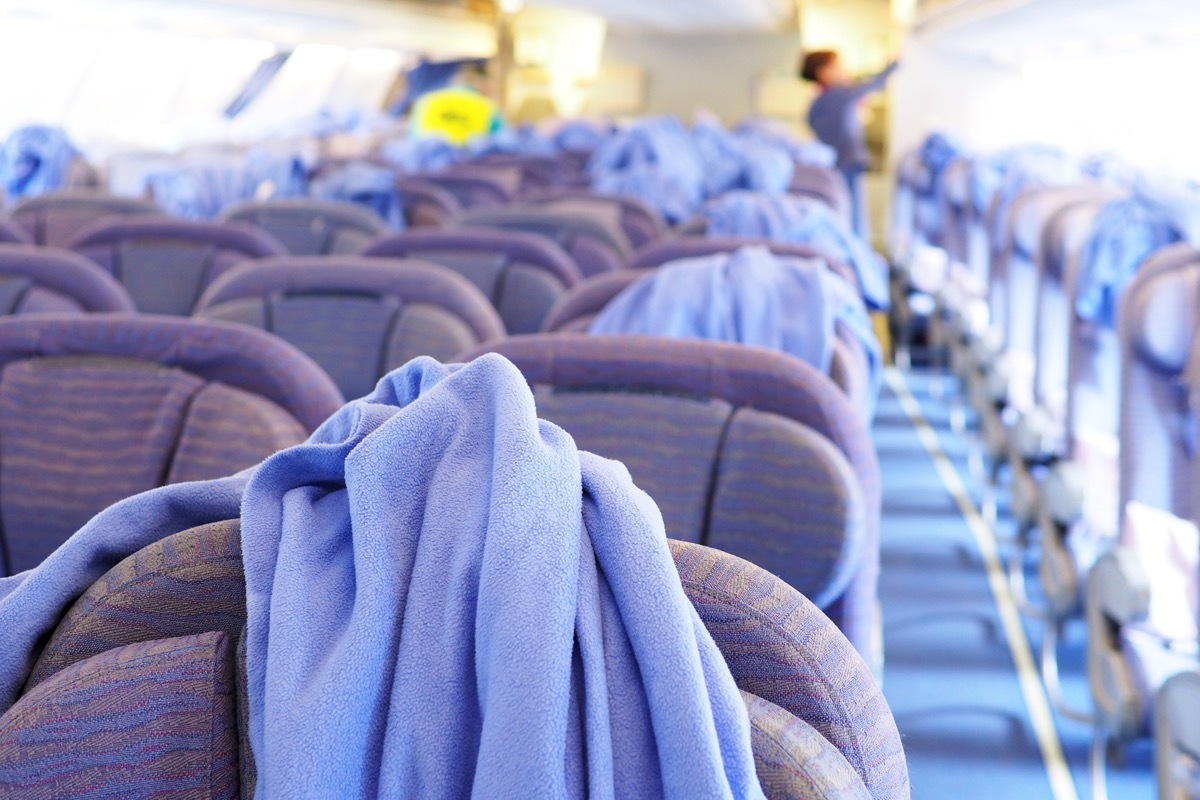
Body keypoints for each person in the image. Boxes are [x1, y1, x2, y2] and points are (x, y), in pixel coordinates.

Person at [800, 50, 899, 240]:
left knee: (842, 213)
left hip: (832, 165)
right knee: (854, 218)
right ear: (823, 73)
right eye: (837, 66)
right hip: (847, 163)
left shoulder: (818, 102)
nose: (843, 70)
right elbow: (874, 84)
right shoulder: (839, 95)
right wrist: (895, 63)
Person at [409, 61, 503, 146]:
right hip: (467, 160)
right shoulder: (488, 107)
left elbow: (413, 137)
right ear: (481, 83)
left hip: (425, 158)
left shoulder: (427, 100)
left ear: (454, 79)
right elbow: (504, 141)